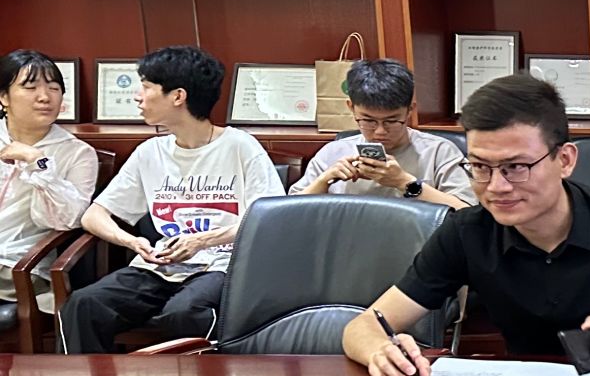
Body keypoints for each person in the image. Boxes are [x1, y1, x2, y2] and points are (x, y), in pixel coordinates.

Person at [343, 74, 590, 376]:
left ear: (565, 160)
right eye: (480, 167)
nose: (496, 187)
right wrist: (379, 351)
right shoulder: (467, 231)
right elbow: (363, 326)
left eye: (516, 167)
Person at [61, 46, 281, 352]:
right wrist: (131, 241)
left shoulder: (240, 146)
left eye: (146, 87)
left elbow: (271, 218)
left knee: (184, 312)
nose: (138, 97)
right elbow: (93, 216)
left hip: (223, 264)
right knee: (84, 305)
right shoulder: (150, 152)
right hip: (161, 264)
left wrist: (202, 240)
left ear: (178, 96)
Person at [290, 56, 475, 209]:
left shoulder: (439, 152)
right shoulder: (332, 152)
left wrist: (404, 182)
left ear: (410, 111)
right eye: (368, 121)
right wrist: (324, 181)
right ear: (351, 108)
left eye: (392, 121)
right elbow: (288, 212)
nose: (380, 131)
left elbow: (467, 213)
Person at [1, 50, 99, 318]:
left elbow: (66, 220)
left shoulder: (77, 153)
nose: (45, 97)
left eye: (54, 88)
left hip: (15, 265)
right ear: (4, 97)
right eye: (30, 87)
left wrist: (37, 162)